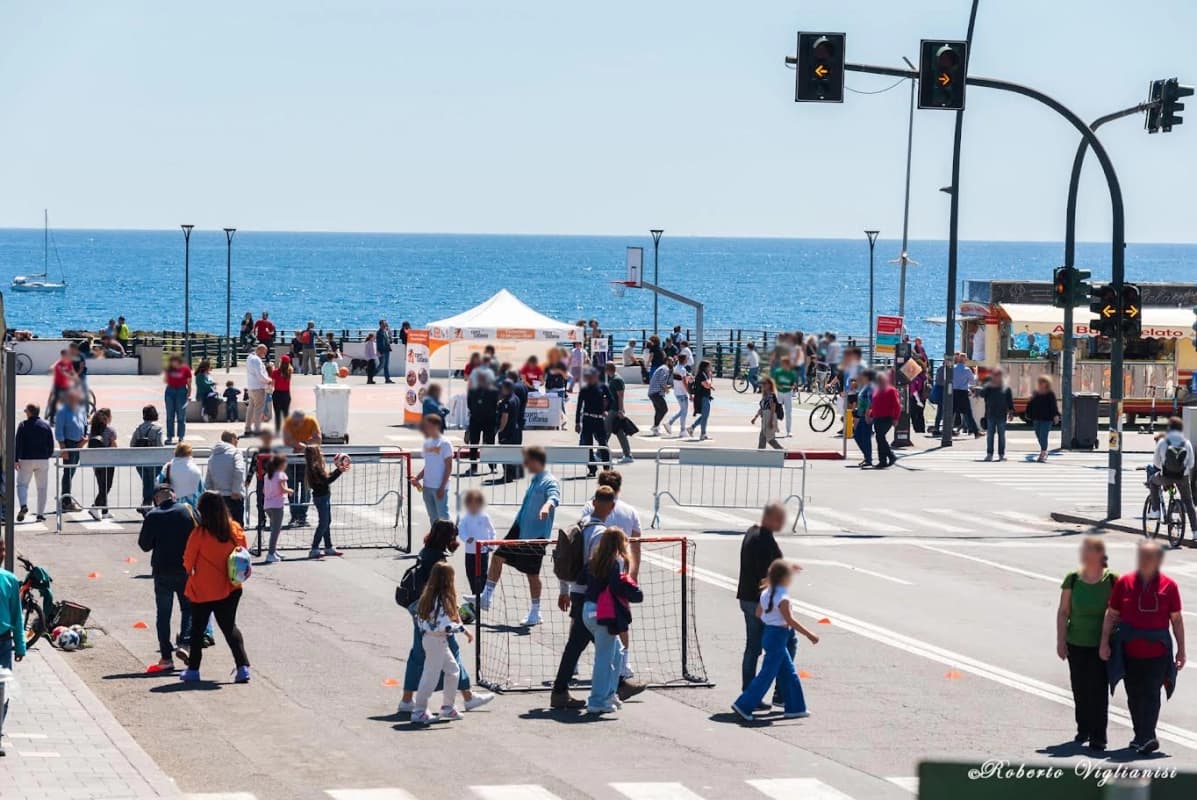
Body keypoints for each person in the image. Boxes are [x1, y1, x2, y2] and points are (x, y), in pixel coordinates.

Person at [398, 520, 494, 714]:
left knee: (419, 654)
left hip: (419, 608)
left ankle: (408, 700)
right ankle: (465, 698)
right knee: (451, 652)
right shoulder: (440, 561)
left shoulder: (426, 552)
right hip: (432, 615)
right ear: (448, 538)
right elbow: (444, 594)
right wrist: (457, 617)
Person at [1101, 540, 1186, 754]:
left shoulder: (1169, 586)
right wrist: (1104, 643)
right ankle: (1141, 736)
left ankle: (1147, 736)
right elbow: (1112, 615)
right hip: (1129, 652)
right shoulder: (1124, 583)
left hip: (1157, 653)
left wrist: (1182, 650)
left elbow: (1176, 620)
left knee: (1151, 693)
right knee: (1134, 695)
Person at [480, 446, 560, 626]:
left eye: (527, 461)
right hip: (519, 528)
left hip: (535, 536)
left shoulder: (549, 481)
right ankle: (486, 596)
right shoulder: (535, 480)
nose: (525, 464)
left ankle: (535, 612)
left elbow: (554, 497)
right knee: (498, 557)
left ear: (536, 461)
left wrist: (546, 507)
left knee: (532, 574)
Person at [732, 558, 818, 721]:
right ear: (785, 578)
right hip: (779, 635)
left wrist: (771, 619)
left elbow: (758, 613)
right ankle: (744, 705)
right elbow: (790, 620)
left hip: (769, 634)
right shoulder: (783, 598)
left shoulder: (766, 593)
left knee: (788, 672)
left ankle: (796, 708)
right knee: (767, 674)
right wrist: (809, 634)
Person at [180, 492, 251, 684]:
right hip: (231, 587)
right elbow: (243, 552)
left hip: (203, 589)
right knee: (229, 628)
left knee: (197, 631)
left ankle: (193, 670)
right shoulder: (235, 529)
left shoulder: (199, 534)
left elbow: (188, 562)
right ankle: (243, 667)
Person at [1056, 536, 1115, 751]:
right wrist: (1061, 641)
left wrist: (1108, 641)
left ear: (1099, 555)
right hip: (1076, 642)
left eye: (1088, 550)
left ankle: (1099, 736)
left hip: (1102, 645)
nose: (1083, 554)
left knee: (1098, 690)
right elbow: (1063, 612)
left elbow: (1118, 612)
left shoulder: (1112, 580)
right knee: (1080, 688)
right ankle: (1084, 728)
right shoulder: (1073, 579)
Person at [580, 525, 643, 715]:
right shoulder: (614, 563)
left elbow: (581, 579)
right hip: (603, 614)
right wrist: (631, 589)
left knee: (616, 652)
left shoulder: (594, 560)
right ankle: (597, 700)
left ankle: (610, 694)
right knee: (604, 658)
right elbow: (616, 587)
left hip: (588, 610)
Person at [736, 503, 793, 708]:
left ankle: (749, 693)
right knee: (782, 645)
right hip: (760, 602)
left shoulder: (753, 532)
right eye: (779, 519)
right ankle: (778, 693)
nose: (781, 524)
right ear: (769, 518)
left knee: (754, 648)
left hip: (748, 598)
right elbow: (766, 577)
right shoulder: (763, 540)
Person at [138, 482, 196, 672]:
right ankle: (185, 644)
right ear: (173, 495)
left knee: (163, 614)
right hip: (185, 568)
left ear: (156, 499)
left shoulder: (152, 515)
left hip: (161, 570)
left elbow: (144, 545)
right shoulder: (186, 511)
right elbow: (198, 535)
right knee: (188, 609)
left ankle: (166, 657)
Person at [410, 563, 474, 724]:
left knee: (453, 670)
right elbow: (445, 625)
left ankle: (448, 707)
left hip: (433, 639)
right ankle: (419, 711)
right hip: (437, 640)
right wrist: (462, 630)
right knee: (430, 676)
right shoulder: (442, 600)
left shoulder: (428, 596)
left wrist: (462, 629)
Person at [0, 535, 28, 756]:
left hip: (3, 643)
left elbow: (17, 617)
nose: (1, 554)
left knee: (2, 690)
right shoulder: (9, 580)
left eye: (2, 550)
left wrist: (20, 645)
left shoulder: (9, 580)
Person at [1147, 416, 1197, 532]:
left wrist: (1165, 468)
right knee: (1188, 502)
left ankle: (1155, 510)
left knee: (1152, 481)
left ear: (1169, 428)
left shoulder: (1163, 442)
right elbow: (1191, 463)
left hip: (1166, 476)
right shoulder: (1186, 443)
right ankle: (1195, 531)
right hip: (1182, 477)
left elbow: (1156, 462)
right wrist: (1182, 470)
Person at [304, 444, 347, 559]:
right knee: (323, 523)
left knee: (327, 522)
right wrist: (339, 471)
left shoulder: (314, 466)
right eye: (319, 451)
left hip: (323, 496)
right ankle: (314, 548)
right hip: (321, 497)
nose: (321, 453)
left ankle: (328, 547)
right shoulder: (315, 467)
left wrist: (338, 471)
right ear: (315, 454)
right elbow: (327, 480)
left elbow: (326, 477)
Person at [412, 414, 454, 525]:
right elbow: (428, 465)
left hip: (439, 487)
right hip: (427, 487)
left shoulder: (445, 443)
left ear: (436, 426)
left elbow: (449, 466)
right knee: (433, 518)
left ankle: (448, 536)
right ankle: (435, 536)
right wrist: (417, 478)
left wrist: (442, 487)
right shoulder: (427, 443)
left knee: (443, 517)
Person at [15, 403, 53, 523]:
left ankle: (23, 505)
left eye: (26, 411)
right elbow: (51, 444)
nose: (25, 412)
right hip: (42, 459)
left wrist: (16, 459)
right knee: (42, 488)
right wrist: (47, 455)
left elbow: (18, 443)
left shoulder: (23, 425)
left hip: (26, 459)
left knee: (22, 484)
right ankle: (40, 514)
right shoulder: (46, 425)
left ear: (30, 412)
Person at [283, 409, 321, 527]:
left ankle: (302, 516)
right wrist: (299, 445)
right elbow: (287, 440)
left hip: (307, 461)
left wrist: (304, 445)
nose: (294, 424)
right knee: (292, 488)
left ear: (303, 420)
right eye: (293, 422)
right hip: (291, 461)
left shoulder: (311, 422)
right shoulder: (288, 422)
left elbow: (318, 439)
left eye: (297, 423)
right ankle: (294, 515)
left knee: (306, 489)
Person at [459, 489, 496, 599]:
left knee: (482, 574)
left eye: (476, 504)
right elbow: (461, 530)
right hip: (470, 551)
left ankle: (482, 596)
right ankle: (475, 594)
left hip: (482, 551)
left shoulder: (484, 517)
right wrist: (466, 538)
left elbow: (492, 531)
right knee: (470, 573)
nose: (473, 507)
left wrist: (491, 545)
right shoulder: (465, 518)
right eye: (471, 504)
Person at [54, 389, 87, 513]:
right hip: (69, 444)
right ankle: (66, 501)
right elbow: (58, 431)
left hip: (79, 444)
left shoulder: (81, 409)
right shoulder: (62, 411)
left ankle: (65, 498)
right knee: (68, 473)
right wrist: (63, 448)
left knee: (71, 472)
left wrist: (85, 439)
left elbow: (85, 425)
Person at [576, 368, 611, 474]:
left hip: (599, 419)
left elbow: (611, 399)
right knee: (588, 445)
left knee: (603, 444)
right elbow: (579, 406)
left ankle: (607, 468)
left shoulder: (603, 387)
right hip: (587, 419)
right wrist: (577, 422)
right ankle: (592, 468)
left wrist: (606, 409)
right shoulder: (584, 389)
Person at [975, 368, 1015, 462]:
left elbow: (1010, 401)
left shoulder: (1006, 388)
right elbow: (982, 394)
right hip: (990, 414)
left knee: (1001, 436)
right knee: (990, 436)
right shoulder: (989, 387)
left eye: (999, 375)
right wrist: (987, 386)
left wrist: (1011, 413)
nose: (997, 377)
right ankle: (989, 454)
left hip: (1002, 414)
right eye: (995, 375)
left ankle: (1001, 455)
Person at [207, 431, 247, 523]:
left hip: (218, 497)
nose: (237, 441)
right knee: (236, 527)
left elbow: (208, 478)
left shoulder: (213, 455)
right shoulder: (236, 452)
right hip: (233, 497)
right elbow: (239, 470)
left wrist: (211, 494)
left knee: (220, 526)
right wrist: (236, 490)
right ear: (232, 439)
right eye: (237, 439)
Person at [85, 408, 118, 520]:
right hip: (108, 461)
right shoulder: (110, 430)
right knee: (106, 486)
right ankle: (95, 507)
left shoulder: (93, 430)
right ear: (107, 418)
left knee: (101, 486)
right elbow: (114, 446)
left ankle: (105, 510)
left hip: (96, 462)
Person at [131, 404, 165, 512]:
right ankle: (152, 505)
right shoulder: (158, 429)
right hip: (154, 460)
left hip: (140, 461)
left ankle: (146, 504)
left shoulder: (139, 429)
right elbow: (160, 446)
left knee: (146, 483)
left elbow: (132, 444)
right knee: (153, 483)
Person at [261, 454, 293, 563]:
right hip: (277, 505)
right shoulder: (281, 475)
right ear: (281, 464)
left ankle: (273, 551)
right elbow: (282, 489)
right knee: (276, 530)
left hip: (267, 505)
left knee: (274, 529)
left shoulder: (267, 475)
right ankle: (270, 554)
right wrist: (290, 491)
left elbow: (264, 491)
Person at [465, 372, 499, 474]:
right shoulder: (472, 390)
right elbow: (469, 404)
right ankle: (473, 467)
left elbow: (495, 405)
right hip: (476, 420)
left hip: (489, 420)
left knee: (490, 444)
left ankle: (492, 467)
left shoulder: (493, 391)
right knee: (474, 444)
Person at [868, 372, 900, 469]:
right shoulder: (876, 390)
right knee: (879, 438)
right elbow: (874, 404)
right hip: (877, 418)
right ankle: (883, 460)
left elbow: (897, 405)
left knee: (880, 437)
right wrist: (871, 414)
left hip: (887, 418)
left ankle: (890, 456)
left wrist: (896, 418)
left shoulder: (891, 390)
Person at [603, 362, 633, 464]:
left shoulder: (616, 380)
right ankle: (627, 455)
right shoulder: (613, 379)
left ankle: (600, 453)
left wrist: (620, 410)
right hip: (613, 409)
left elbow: (620, 396)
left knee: (605, 431)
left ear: (608, 369)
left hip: (615, 410)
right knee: (620, 432)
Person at [1027, 375, 1061, 463]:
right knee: (1038, 434)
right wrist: (1030, 401)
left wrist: (1056, 415)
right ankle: (1044, 450)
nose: (1041, 383)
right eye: (1040, 382)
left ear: (1047, 383)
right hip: (1036, 417)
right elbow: (1031, 404)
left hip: (1047, 418)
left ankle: (1043, 452)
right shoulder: (1035, 393)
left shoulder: (1050, 393)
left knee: (1043, 435)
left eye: (1043, 382)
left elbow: (1053, 406)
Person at [160, 442, 205, 507]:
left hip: (172, 504)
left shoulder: (167, 467)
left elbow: (159, 482)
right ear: (190, 453)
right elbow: (201, 489)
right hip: (191, 505)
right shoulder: (196, 469)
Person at [497, 381, 524, 482]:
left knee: (505, 453)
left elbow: (505, 417)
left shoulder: (507, 401)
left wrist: (500, 429)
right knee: (513, 453)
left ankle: (508, 475)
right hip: (516, 430)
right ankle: (514, 474)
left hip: (508, 431)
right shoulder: (516, 398)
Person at [162, 355, 192, 444]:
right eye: (171, 362)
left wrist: (188, 394)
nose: (173, 364)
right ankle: (169, 436)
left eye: (174, 361)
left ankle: (181, 437)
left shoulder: (185, 369)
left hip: (181, 391)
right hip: (170, 390)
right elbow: (165, 380)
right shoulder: (169, 369)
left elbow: (189, 383)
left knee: (181, 415)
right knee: (170, 415)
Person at [244, 344, 272, 437]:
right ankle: (257, 430)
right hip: (258, 387)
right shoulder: (257, 360)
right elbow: (260, 375)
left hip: (251, 387)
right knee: (258, 409)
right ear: (259, 350)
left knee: (250, 409)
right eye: (264, 352)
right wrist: (269, 381)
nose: (265, 354)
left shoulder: (249, 358)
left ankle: (247, 428)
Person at [950, 352, 981, 438]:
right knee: (968, 413)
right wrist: (975, 373)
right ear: (965, 360)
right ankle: (976, 432)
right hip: (963, 393)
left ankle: (947, 431)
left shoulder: (953, 368)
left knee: (951, 413)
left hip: (954, 392)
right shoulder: (967, 370)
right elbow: (973, 381)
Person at [751, 376, 784, 450]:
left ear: (770, 384)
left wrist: (771, 421)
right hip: (765, 417)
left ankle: (782, 451)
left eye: (765, 383)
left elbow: (773, 408)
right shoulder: (765, 396)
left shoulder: (771, 395)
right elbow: (762, 408)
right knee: (762, 437)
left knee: (770, 439)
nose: (763, 385)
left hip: (770, 416)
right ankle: (761, 453)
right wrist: (755, 417)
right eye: (762, 384)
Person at [852, 371, 876, 467]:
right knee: (858, 436)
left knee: (865, 438)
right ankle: (867, 456)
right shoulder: (865, 386)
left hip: (866, 416)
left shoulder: (870, 387)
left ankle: (868, 459)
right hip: (861, 415)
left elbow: (870, 402)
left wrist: (867, 414)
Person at [46, 348, 77, 423]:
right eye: (66, 355)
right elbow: (65, 374)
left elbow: (72, 371)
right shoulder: (59, 364)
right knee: (55, 401)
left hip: (66, 385)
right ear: (62, 356)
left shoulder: (69, 362)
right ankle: (52, 418)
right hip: (58, 385)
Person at [687, 360, 714, 441]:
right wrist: (710, 378)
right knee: (705, 416)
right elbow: (706, 385)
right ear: (705, 367)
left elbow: (707, 385)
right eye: (709, 366)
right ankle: (702, 433)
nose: (711, 368)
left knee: (705, 416)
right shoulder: (702, 374)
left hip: (704, 397)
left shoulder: (703, 374)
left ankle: (693, 428)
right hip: (702, 397)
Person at [647, 357, 672, 436]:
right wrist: (666, 389)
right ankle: (655, 426)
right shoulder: (665, 369)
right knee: (664, 409)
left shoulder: (661, 368)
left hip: (652, 392)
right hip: (656, 392)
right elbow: (662, 381)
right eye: (671, 361)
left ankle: (655, 428)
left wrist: (667, 387)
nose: (673, 363)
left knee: (658, 410)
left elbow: (660, 381)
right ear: (667, 361)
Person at [667, 353, 691, 436]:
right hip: (682, 393)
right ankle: (682, 430)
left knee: (682, 411)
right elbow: (684, 382)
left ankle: (671, 424)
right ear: (684, 360)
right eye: (686, 359)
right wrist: (689, 393)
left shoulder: (676, 368)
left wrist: (688, 377)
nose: (687, 360)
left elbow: (679, 380)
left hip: (677, 392)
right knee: (684, 412)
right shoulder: (683, 369)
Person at [270, 355, 294, 434]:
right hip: (286, 394)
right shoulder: (289, 372)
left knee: (277, 414)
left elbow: (272, 384)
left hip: (277, 394)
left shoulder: (275, 372)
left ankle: (277, 430)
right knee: (286, 413)